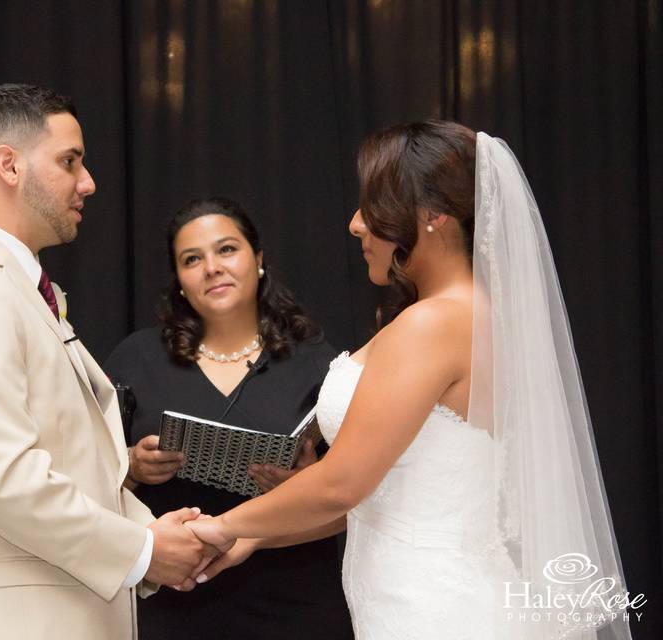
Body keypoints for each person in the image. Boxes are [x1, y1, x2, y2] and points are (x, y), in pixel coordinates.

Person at [187, 122, 632, 639]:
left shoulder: (433, 323)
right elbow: (384, 498)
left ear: (432, 216)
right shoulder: (470, 314)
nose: (355, 224)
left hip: (437, 611)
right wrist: (257, 539)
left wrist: (221, 525)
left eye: (373, 206)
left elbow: (341, 484)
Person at [0, 83, 214, 640]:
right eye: (70, 162)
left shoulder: (13, 285)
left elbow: (75, 466)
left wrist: (156, 532)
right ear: (8, 166)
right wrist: (144, 550)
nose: (88, 183)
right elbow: (8, 481)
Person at [105, 197, 350, 640]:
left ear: (258, 260)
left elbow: (356, 499)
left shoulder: (316, 361)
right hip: (173, 601)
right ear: (179, 280)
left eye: (226, 250)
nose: (212, 268)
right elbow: (86, 483)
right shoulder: (136, 358)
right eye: (192, 259)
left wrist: (311, 480)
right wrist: (132, 467)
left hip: (295, 603)